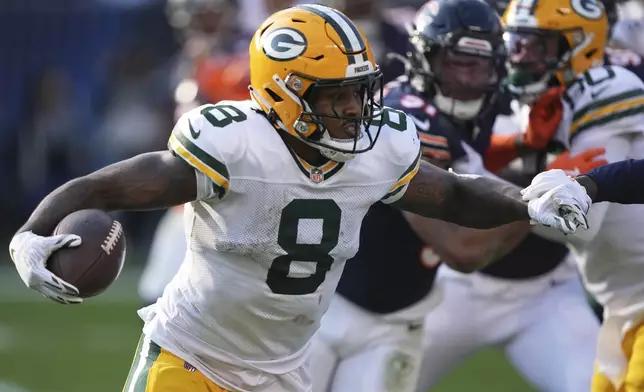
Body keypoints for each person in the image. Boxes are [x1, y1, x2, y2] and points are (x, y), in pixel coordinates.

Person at [7, 4, 580, 392]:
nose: (356, 110)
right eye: (336, 97)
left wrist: (526, 201)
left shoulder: (378, 147)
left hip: (286, 371)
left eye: (361, 92)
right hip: (193, 357)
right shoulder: (236, 144)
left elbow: (454, 197)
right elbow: (110, 186)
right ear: (284, 95)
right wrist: (32, 232)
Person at [310, 1, 602, 392]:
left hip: (399, 313)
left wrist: (519, 143)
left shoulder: (451, 112)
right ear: (425, 58)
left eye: (477, 66)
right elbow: (463, 247)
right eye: (455, 63)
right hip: (331, 304)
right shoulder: (403, 124)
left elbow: (464, 163)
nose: (466, 79)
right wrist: (545, 190)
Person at [501, 0, 644, 389]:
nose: (522, 56)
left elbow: (579, 223)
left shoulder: (605, 89)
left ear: (580, 44)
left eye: (538, 45)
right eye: (517, 42)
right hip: (622, 306)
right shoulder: (550, 101)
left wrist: (498, 202)